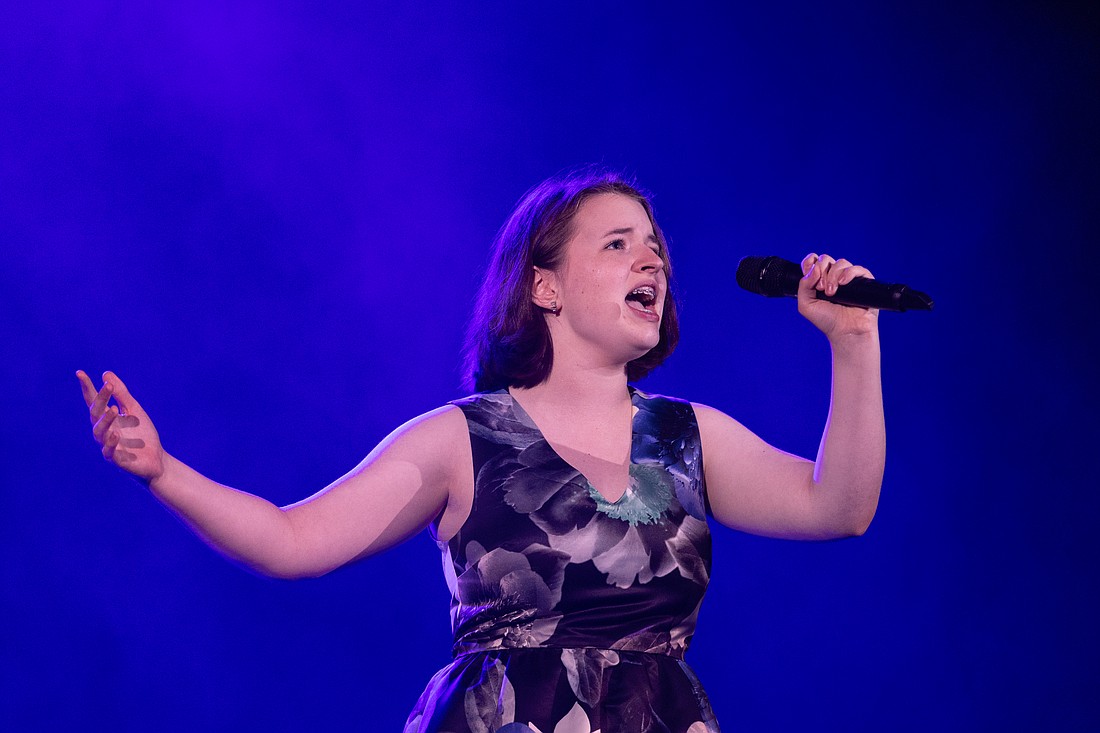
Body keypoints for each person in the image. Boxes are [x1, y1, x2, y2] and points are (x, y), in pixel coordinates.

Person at [77, 169, 885, 733]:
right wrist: (164, 471)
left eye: (655, 248)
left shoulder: (687, 436)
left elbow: (840, 507)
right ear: (544, 286)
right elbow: (293, 540)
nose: (652, 260)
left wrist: (854, 343)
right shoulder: (462, 439)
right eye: (617, 244)